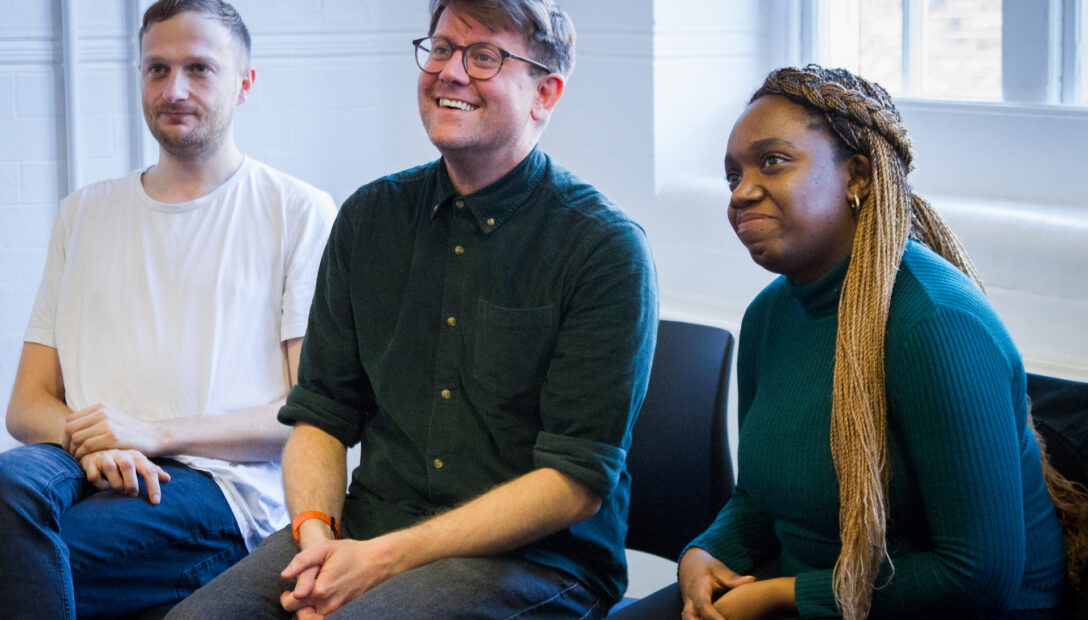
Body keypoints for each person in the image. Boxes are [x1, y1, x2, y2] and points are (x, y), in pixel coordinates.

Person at [165, 0, 658, 619]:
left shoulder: (604, 248)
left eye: (485, 57)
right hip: (364, 532)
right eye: (443, 48)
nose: (451, 72)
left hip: (535, 560)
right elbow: (321, 414)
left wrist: (386, 559)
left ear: (545, 94)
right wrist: (318, 536)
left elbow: (574, 484)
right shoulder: (370, 218)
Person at [613, 65, 1088, 620]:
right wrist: (706, 550)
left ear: (857, 175)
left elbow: (975, 577)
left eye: (772, 162)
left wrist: (782, 594)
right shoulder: (770, 315)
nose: (741, 193)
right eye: (731, 175)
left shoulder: (936, 323)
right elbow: (759, 501)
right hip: (816, 593)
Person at [0, 0, 337, 618]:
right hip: (83, 459)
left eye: (199, 69)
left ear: (245, 83)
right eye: (157, 69)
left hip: (216, 486)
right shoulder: (83, 213)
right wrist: (96, 445)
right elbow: (25, 405)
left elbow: (304, 415)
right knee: (8, 483)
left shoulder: (297, 211)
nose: (174, 89)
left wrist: (151, 436)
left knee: (26, 559)